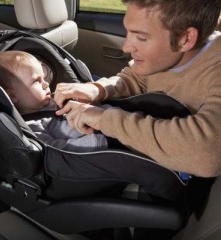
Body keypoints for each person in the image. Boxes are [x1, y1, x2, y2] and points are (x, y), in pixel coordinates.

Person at [54, 0, 221, 177]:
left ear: (185, 38)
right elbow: (137, 77)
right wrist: (99, 89)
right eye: (127, 32)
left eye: (141, 38)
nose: (126, 47)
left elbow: (208, 155)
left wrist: (105, 120)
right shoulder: (168, 58)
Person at [0, 50, 108, 152]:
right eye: (36, 81)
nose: (46, 84)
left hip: (104, 120)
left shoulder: (54, 99)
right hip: (98, 142)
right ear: (13, 96)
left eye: (44, 78)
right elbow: (54, 149)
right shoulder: (30, 126)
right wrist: (96, 141)